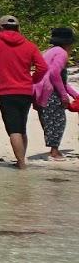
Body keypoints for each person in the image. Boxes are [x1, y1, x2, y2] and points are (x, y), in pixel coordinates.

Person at [0, 15, 48, 170]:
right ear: (18, 28)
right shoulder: (30, 45)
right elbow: (43, 67)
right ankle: (21, 159)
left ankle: (21, 164)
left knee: (13, 129)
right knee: (21, 127)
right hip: (26, 91)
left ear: (0, 28)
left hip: (6, 91)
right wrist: (32, 80)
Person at [33, 28, 78, 162]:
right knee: (58, 121)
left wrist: (75, 95)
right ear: (68, 43)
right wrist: (64, 96)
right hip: (50, 91)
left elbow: (61, 81)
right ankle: (54, 151)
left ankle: (53, 148)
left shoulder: (49, 51)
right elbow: (54, 74)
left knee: (48, 120)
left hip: (38, 90)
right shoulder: (62, 53)